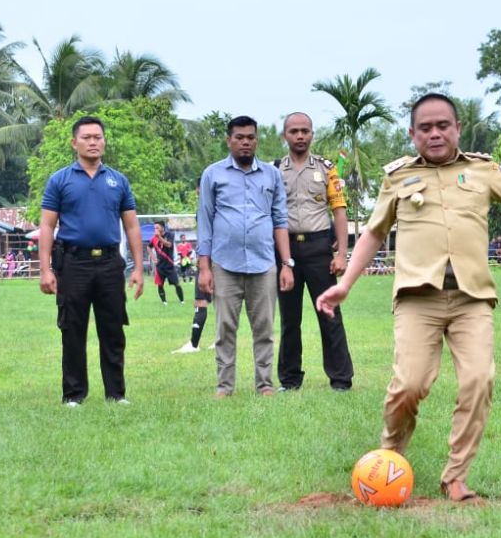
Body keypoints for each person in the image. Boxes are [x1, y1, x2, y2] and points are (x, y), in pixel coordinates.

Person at [316, 93, 501, 501]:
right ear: (412, 134)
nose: (435, 133)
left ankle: (455, 477)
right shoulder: (397, 178)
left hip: (472, 299)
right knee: (409, 385)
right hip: (417, 298)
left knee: (478, 379)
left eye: (443, 125)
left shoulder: (483, 171)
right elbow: (373, 232)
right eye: (425, 128)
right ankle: (389, 459)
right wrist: (346, 283)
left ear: (457, 129)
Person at [38, 116, 144, 406]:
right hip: (73, 264)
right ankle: (74, 395)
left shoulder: (117, 180)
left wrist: (138, 267)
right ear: (74, 143)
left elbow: (132, 226)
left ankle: (116, 394)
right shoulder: (60, 180)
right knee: (73, 330)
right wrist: (45, 270)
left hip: (110, 263)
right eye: (86, 137)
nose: (93, 142)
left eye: (98, 137)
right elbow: (47, 226)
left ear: (104, 142)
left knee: (112, 330)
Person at [196, 115, 294, 397]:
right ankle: (224, 386)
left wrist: (286, 264)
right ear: (229, 140)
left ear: (257, 140)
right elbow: (205, 219)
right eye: (239, 137)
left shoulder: (271, 175)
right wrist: (204, 267)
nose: (245, 142)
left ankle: (264, 384)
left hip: (264, 263)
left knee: (264, 328)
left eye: (250, 137)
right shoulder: (212, 174)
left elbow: (280, 220)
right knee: (225, 329)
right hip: (224, 264)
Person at [275, 112, 354, 392]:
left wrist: (341, 253)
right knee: (289, 318)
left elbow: (339, 210)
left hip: (319, 247)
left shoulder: (327, 168)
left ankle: (341, 379)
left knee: (329, 312)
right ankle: (289, 378)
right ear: (285, 135)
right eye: (294, 131)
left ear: (312, 134)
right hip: (285, 251)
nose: (300, 136)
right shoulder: (274, 170)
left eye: (305, 131)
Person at [148, 220, 184, 305]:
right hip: (160, 266)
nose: (155, 229)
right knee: (160, 285)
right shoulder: (154, 238)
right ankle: (164, 302)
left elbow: (169, 245)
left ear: (162, 227)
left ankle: (182, 301)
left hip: (169, 265)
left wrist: (159, 237)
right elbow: (148, 247)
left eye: (157, 227)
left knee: (177, 284)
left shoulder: (170, 235)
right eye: (154, 228)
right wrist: (153, 258)